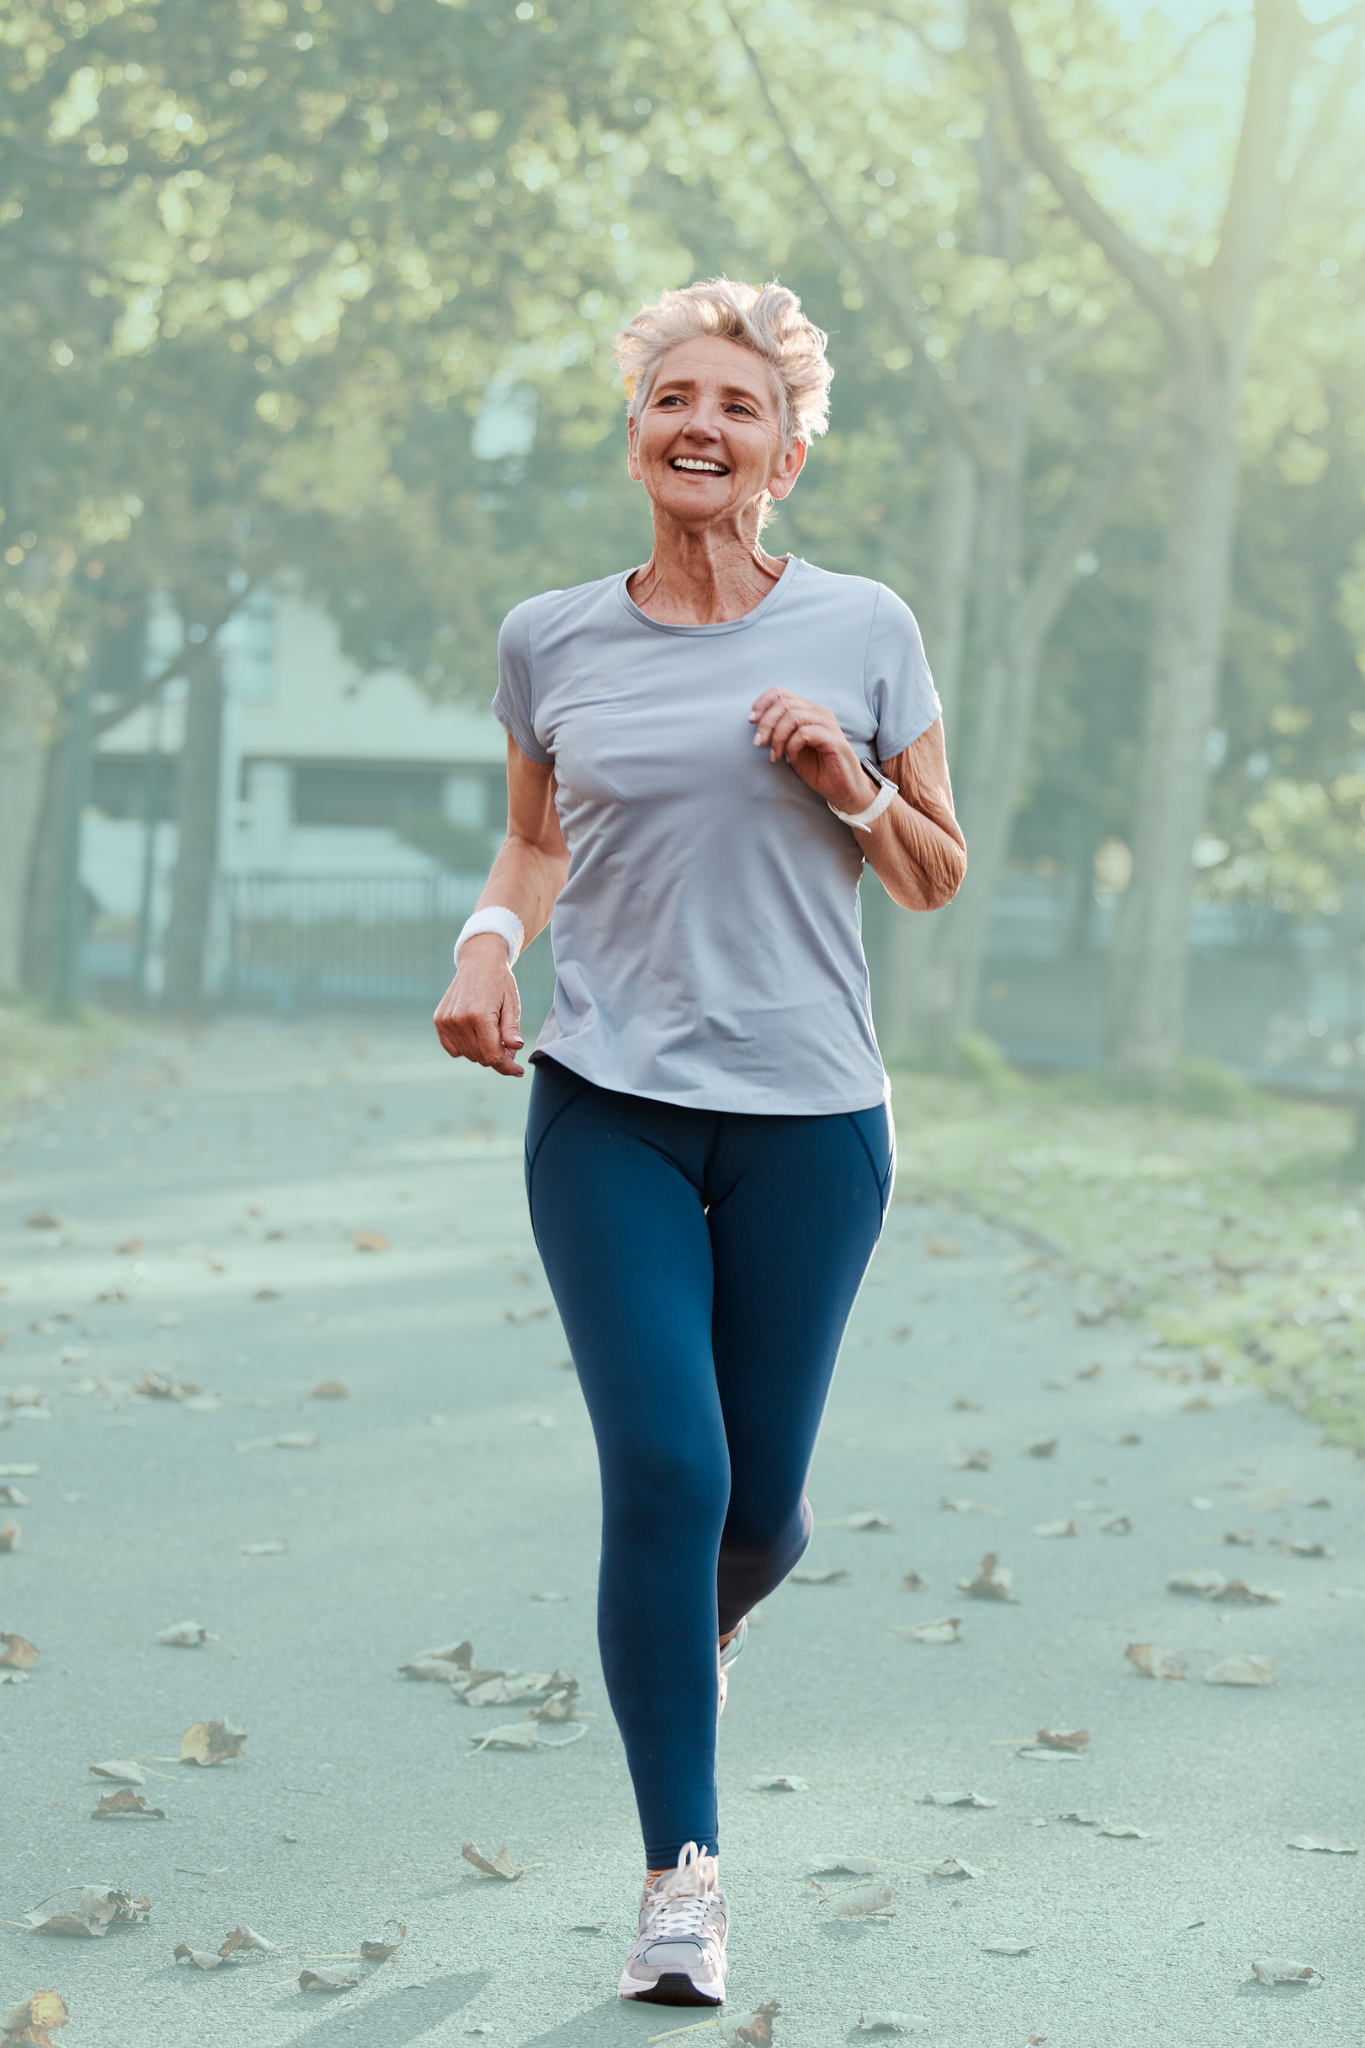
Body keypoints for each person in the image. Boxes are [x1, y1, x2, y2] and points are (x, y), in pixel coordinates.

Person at [433, 277, 966, 2008]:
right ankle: (683, 1879)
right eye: (674, 396)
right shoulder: (552, 637)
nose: (700, 426)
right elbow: (533, 846)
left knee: (765, 1512)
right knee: (667, 1471)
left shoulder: (867, 627)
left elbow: (935, 873)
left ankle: (692, 1636)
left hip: (814, 1122)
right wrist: (489, 948)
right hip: (612, 1108)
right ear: (637, 431)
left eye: (738, 406)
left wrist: (848, 780)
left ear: (788, 452)